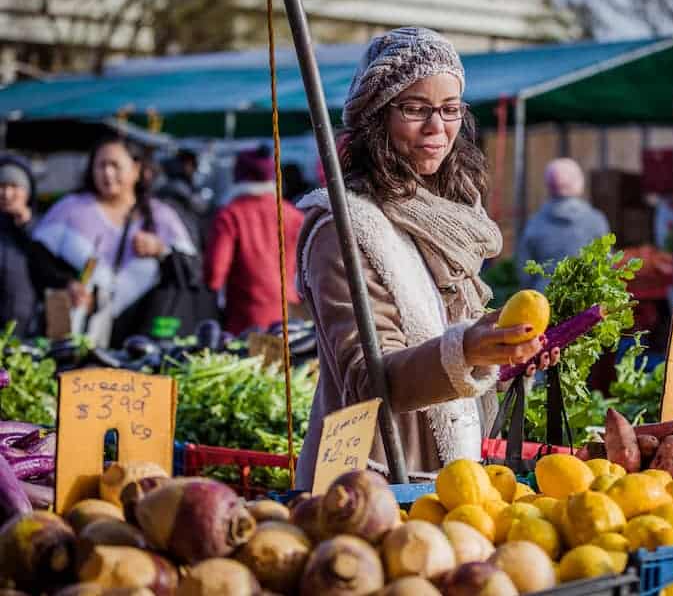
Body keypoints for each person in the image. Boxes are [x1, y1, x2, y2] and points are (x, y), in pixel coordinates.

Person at [294, 27, 560, 488]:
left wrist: (501, 352)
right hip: (368, 483)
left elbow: (451, 349)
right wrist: (467, 349)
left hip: (452, 482)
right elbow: (365, 377)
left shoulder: (448, 219)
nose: (438, 128)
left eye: (450, 109)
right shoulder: (344, 227)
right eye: (415, 108)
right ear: (377, 116)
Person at [31, 136, 196, 346]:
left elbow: (191, 270)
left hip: (145, 335)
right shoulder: (70, 210)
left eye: (115, 165)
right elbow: (37, 259)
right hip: (79, 334)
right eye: (101, 165)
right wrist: (67, 284)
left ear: (136, 169)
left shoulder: (161, 216)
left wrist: (160, 249)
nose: (108, 173)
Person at [204, 145, 304, 335]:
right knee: (287, 362)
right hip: (291, 311)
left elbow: (214, 273)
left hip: (246, 314)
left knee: (251, 362)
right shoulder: (293, 214)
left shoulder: (231, 214)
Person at [516, 158, 609, 292]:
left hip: (544, 301)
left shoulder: (534, 224)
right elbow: (605, 266)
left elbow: (523, 271)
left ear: (548, 186)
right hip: (586, 300)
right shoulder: (596, 221)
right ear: (578, 183)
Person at [0, 155, 39, 337]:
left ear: (27, 192)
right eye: (1, 186)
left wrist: (26, 224)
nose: (7, 194)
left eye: (14, 187)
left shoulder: (42, 228)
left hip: (29, 330)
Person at [154, 148, 208, 250]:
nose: (194, 170)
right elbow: (200, 207)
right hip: (181, 245)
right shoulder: (179, 189)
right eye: (193, 165)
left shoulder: (166, 186)